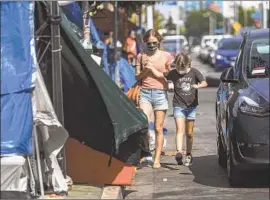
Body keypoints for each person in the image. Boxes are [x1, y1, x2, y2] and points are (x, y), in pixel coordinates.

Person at [135, 29, 171, 169]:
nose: (151, 45)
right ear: (145, 43)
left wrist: (155, 71)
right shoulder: (141, 56)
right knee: (143, 124)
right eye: (149, 43)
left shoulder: (166, 56)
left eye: (154, 43)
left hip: (160, 93)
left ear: (159, 42)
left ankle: (156, 159)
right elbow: (137, 77)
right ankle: (148, 148)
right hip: (145, 92)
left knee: (158, 127)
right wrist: (146, 70)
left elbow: (168, 76)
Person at [165, 52, 208, 167]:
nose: (180, 70)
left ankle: (188, 154)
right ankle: (179, 152)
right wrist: (167, 85)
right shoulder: (173, 73)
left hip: (191, 106)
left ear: (188, 64)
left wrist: (198, 86)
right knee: (180, 129)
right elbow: (164, 78)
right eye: (178, 67)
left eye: (182, 67)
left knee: (189, 133)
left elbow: (204, 82)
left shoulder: (194, 72)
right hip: (178, 105)